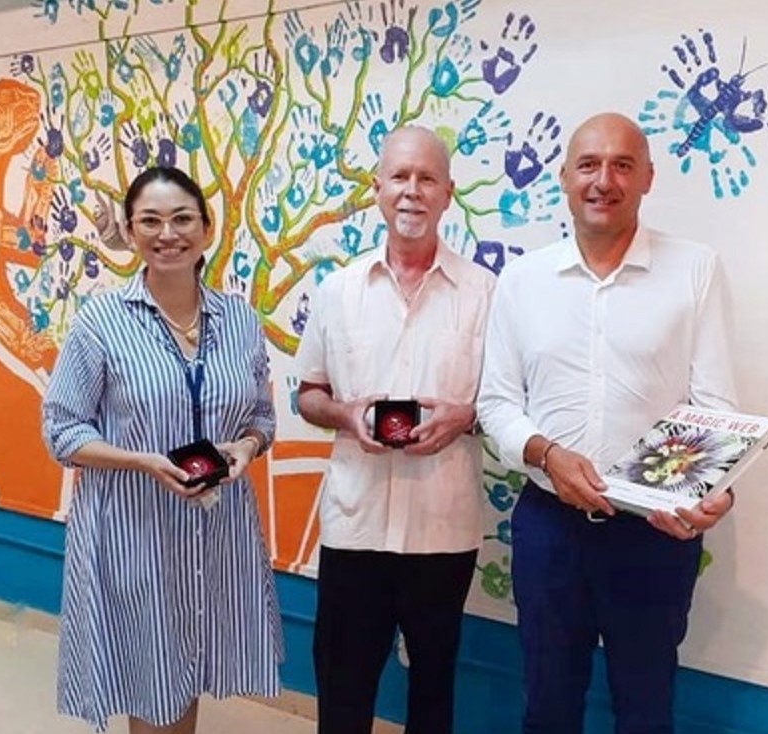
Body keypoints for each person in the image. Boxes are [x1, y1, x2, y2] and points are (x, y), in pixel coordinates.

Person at [477, 113, 738, 734]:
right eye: (589, 165)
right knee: (548, 706)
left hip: (654, 532)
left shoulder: (695, 268)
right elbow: (496, 403)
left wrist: (716, 490)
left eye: (623, 165)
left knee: (645, 709)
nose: (604, 180)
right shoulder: (523, 279)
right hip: (549, 528)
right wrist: (544, 452)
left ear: (648, 177)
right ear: (564, 177)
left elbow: (716, 405)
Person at [42, 166, 283, 733]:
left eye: (182, 219)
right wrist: (143, 461)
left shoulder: (240, 320)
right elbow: (61, 429)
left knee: (189, 668)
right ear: (130, 231)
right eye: (150, 221)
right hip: (135, 529)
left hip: (217, 530)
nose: (167, 233)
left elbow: (262, 418)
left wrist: (247, 447)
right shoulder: (101, 322)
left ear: (207, 228)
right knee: (151, 680)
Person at [295, 126, 495, 734]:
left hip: (443, 529)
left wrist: (465, 417)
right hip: (355, 526)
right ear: (377, 187)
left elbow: (506, 404)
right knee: (343, 690)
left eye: (427, 178)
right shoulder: (338, 291)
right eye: (400, 176)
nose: (413, 191)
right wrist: (346, 414)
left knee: (433, 692)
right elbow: (308, 394)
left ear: (448, 193)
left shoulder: (486, 294)